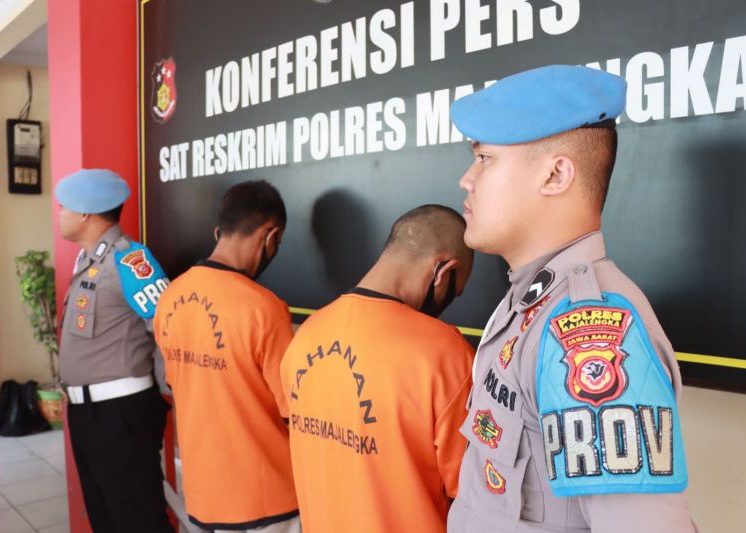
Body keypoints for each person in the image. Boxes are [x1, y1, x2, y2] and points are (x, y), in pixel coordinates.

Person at [446, 65, 696, 532]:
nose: (467, 179)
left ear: (556, 174)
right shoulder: (528, 300)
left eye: (485, 159)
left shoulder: (589, 328)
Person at [280, 204, 476, 533]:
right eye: (453, 292)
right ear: (441, 271)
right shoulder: (445, 352)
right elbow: (472, 492)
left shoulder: (305, 336)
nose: (448, 301)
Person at [153, 180, 300, 532]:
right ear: (271, 236)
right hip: (267, 500)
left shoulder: (171, 296)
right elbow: (293, 410)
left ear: (220, 231)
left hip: (204, 495)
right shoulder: (264, 308)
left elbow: (176, 383)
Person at [56, 168, 173, 533]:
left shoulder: (130, 261)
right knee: (104, 516)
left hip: (120, 416)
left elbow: (167, 327)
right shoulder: (88, 263)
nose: (60, 214)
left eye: (65, 207)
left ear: (86, 213)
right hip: (87, 414)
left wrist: (166, 393)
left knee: (138, 519)